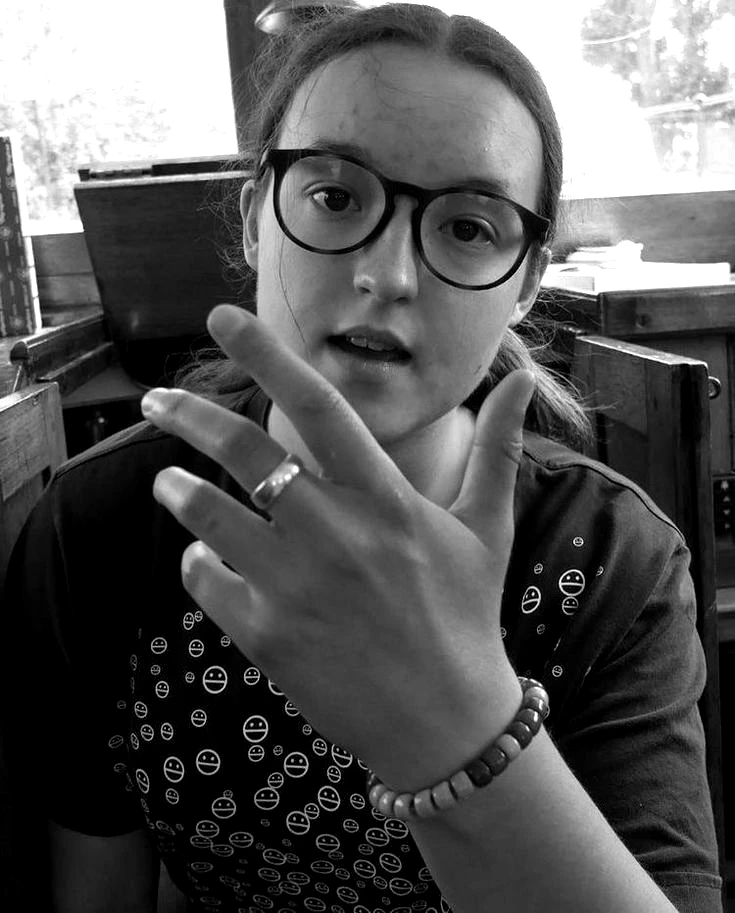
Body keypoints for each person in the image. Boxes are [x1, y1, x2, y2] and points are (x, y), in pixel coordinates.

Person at [0, 4, 723, 912]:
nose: (389, 274)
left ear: (527, 280)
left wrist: (460, 718)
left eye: (469, 227)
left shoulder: (610, 560)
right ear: (255, 218)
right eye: (335, 198)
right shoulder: (98, 527)